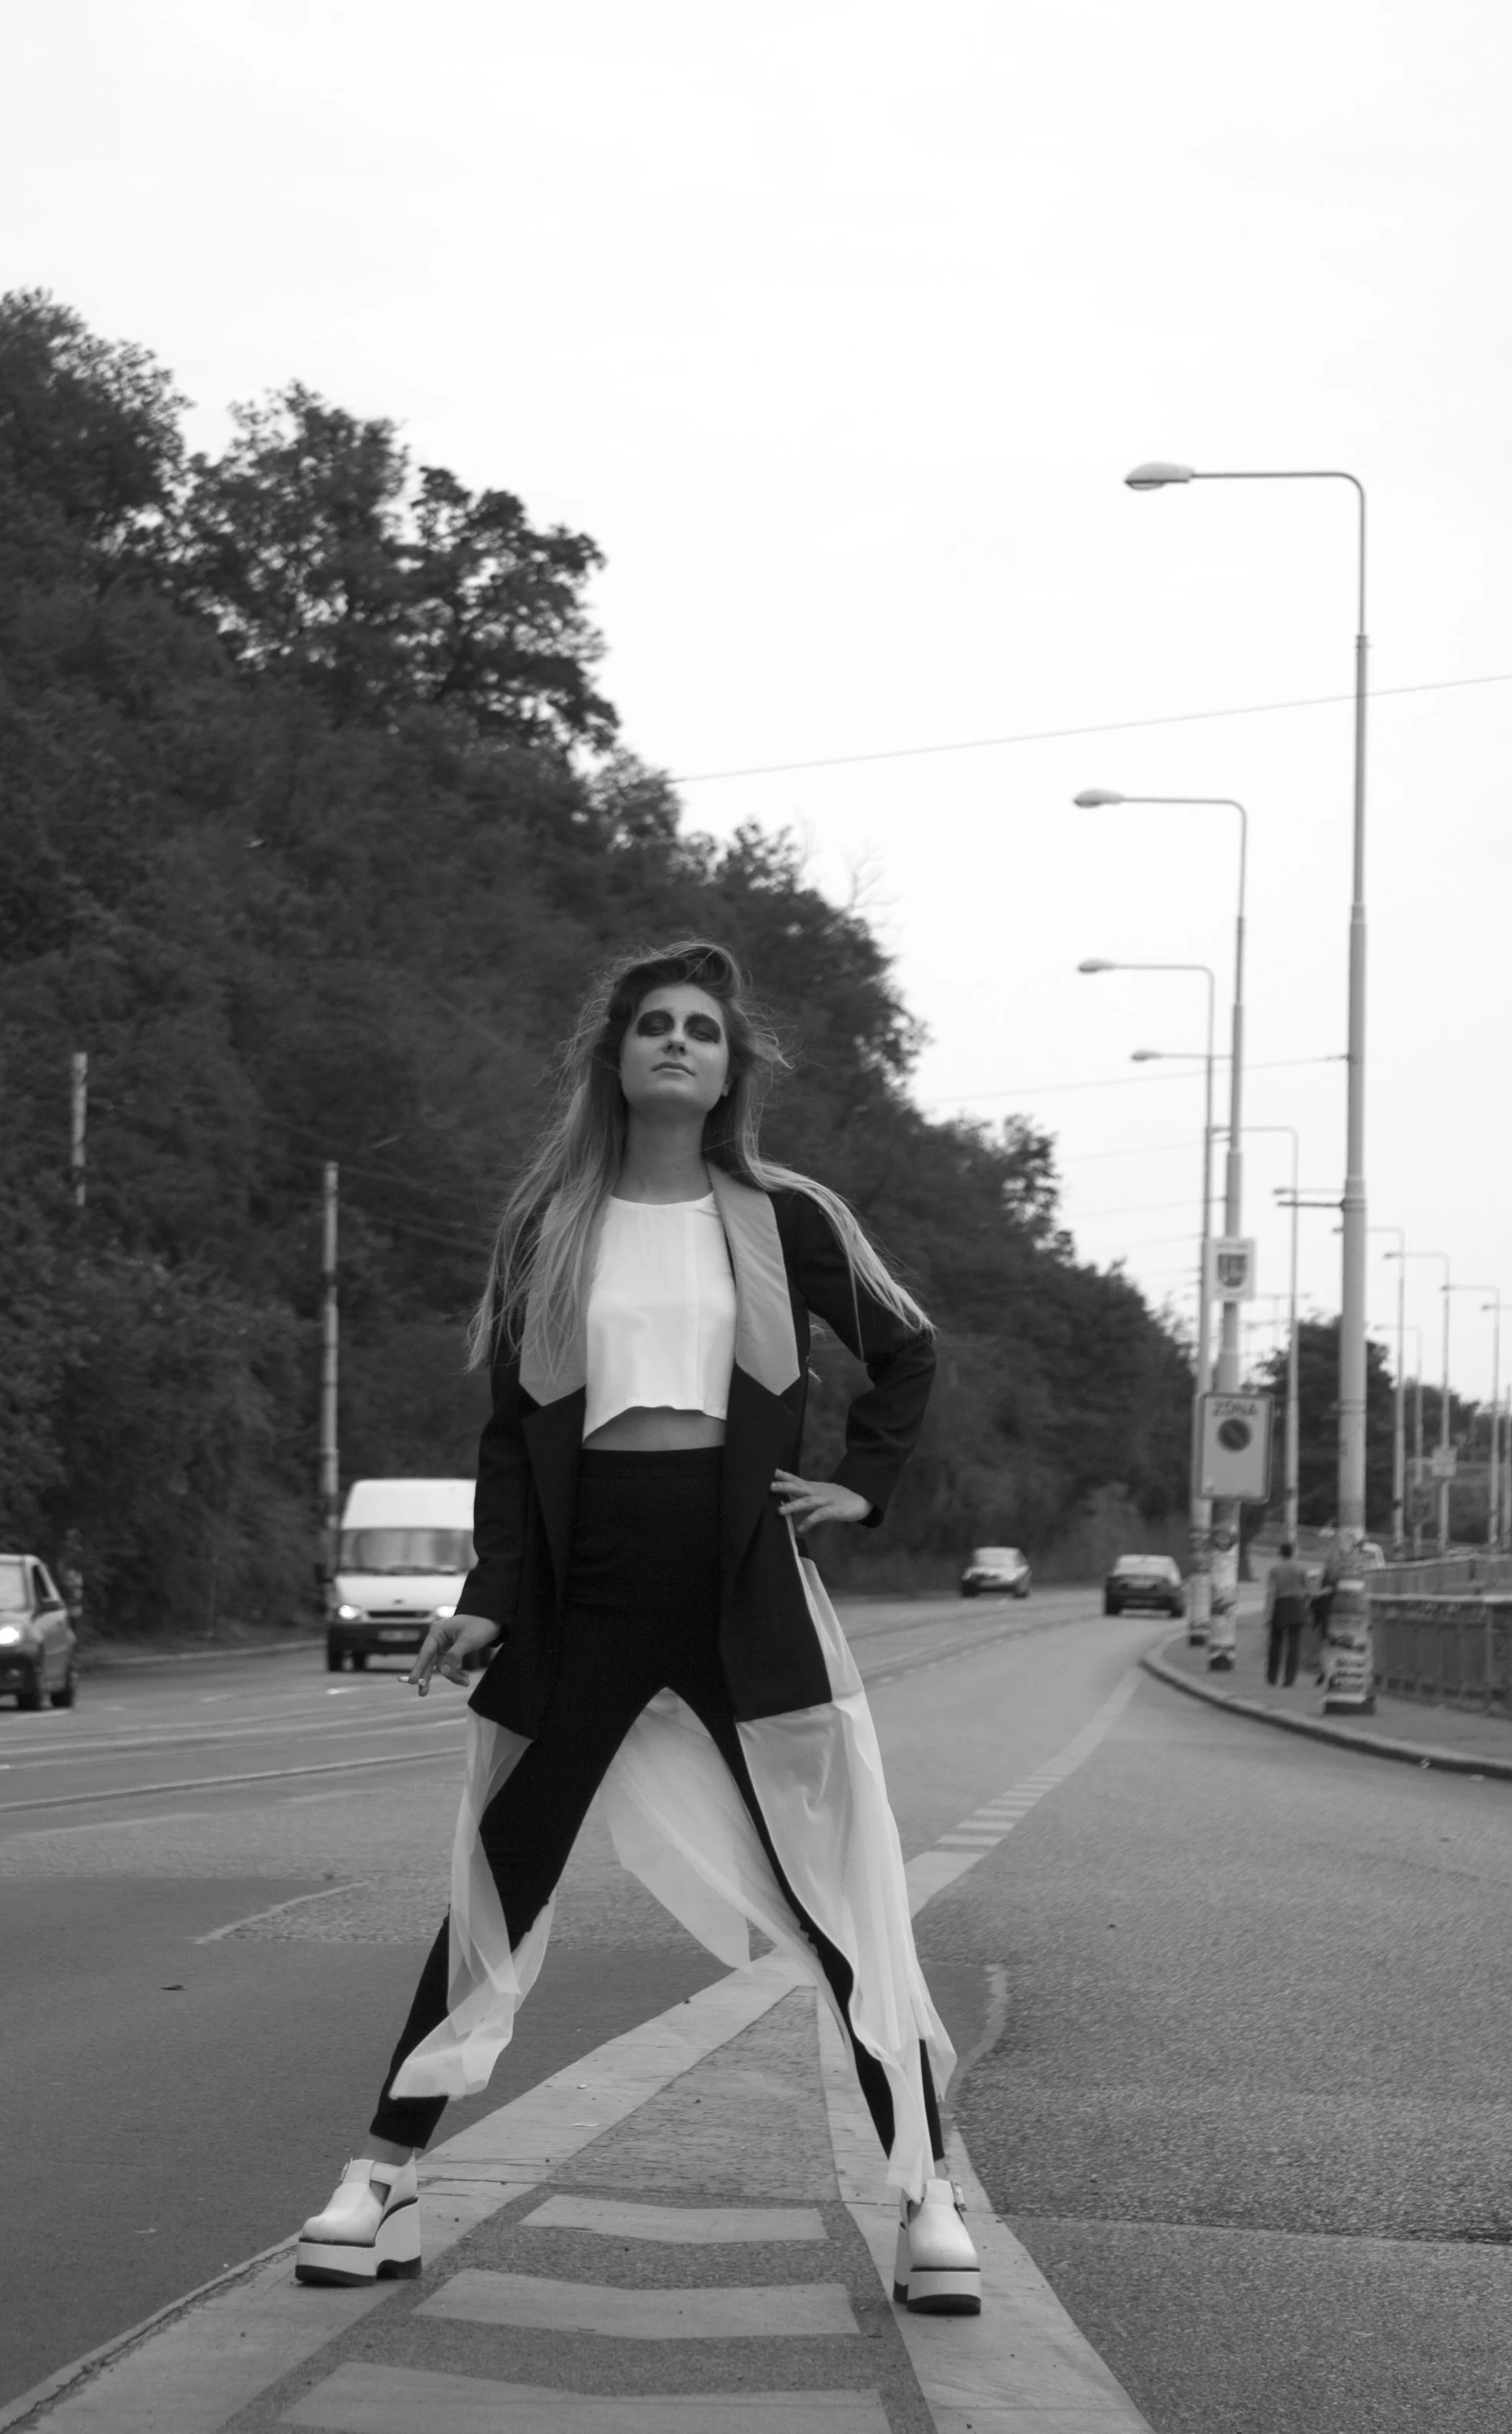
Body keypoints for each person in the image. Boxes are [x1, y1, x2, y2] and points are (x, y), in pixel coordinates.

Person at [294, 940, 980, 2315]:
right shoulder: (549, 1225)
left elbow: (906, 1348)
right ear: (613, 1059)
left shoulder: (788, 1217)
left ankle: (927, 2192)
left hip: (740, 1579)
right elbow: (510, 1437)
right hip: (586, 1579)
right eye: (654, 1024)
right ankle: (384, 2177)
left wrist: (864, 1484)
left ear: (731, 1073)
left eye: (702, 1030)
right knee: (502, 1875)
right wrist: (490, 1596)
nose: (677, 1041)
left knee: (835, 1888)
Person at [1262, 1539, 1308, 1687]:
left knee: (1276, 1643)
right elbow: (1306, 1590)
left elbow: (1271, 1592)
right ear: (1293, 1553)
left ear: (1280, 1553)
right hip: (1296, 1605)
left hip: (1280, 1605)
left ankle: (1272, 1676)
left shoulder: (1275, 1570)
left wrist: (1268, 1614)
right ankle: (1289, 1678)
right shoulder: (1300, 1570)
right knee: (1294, 1644)